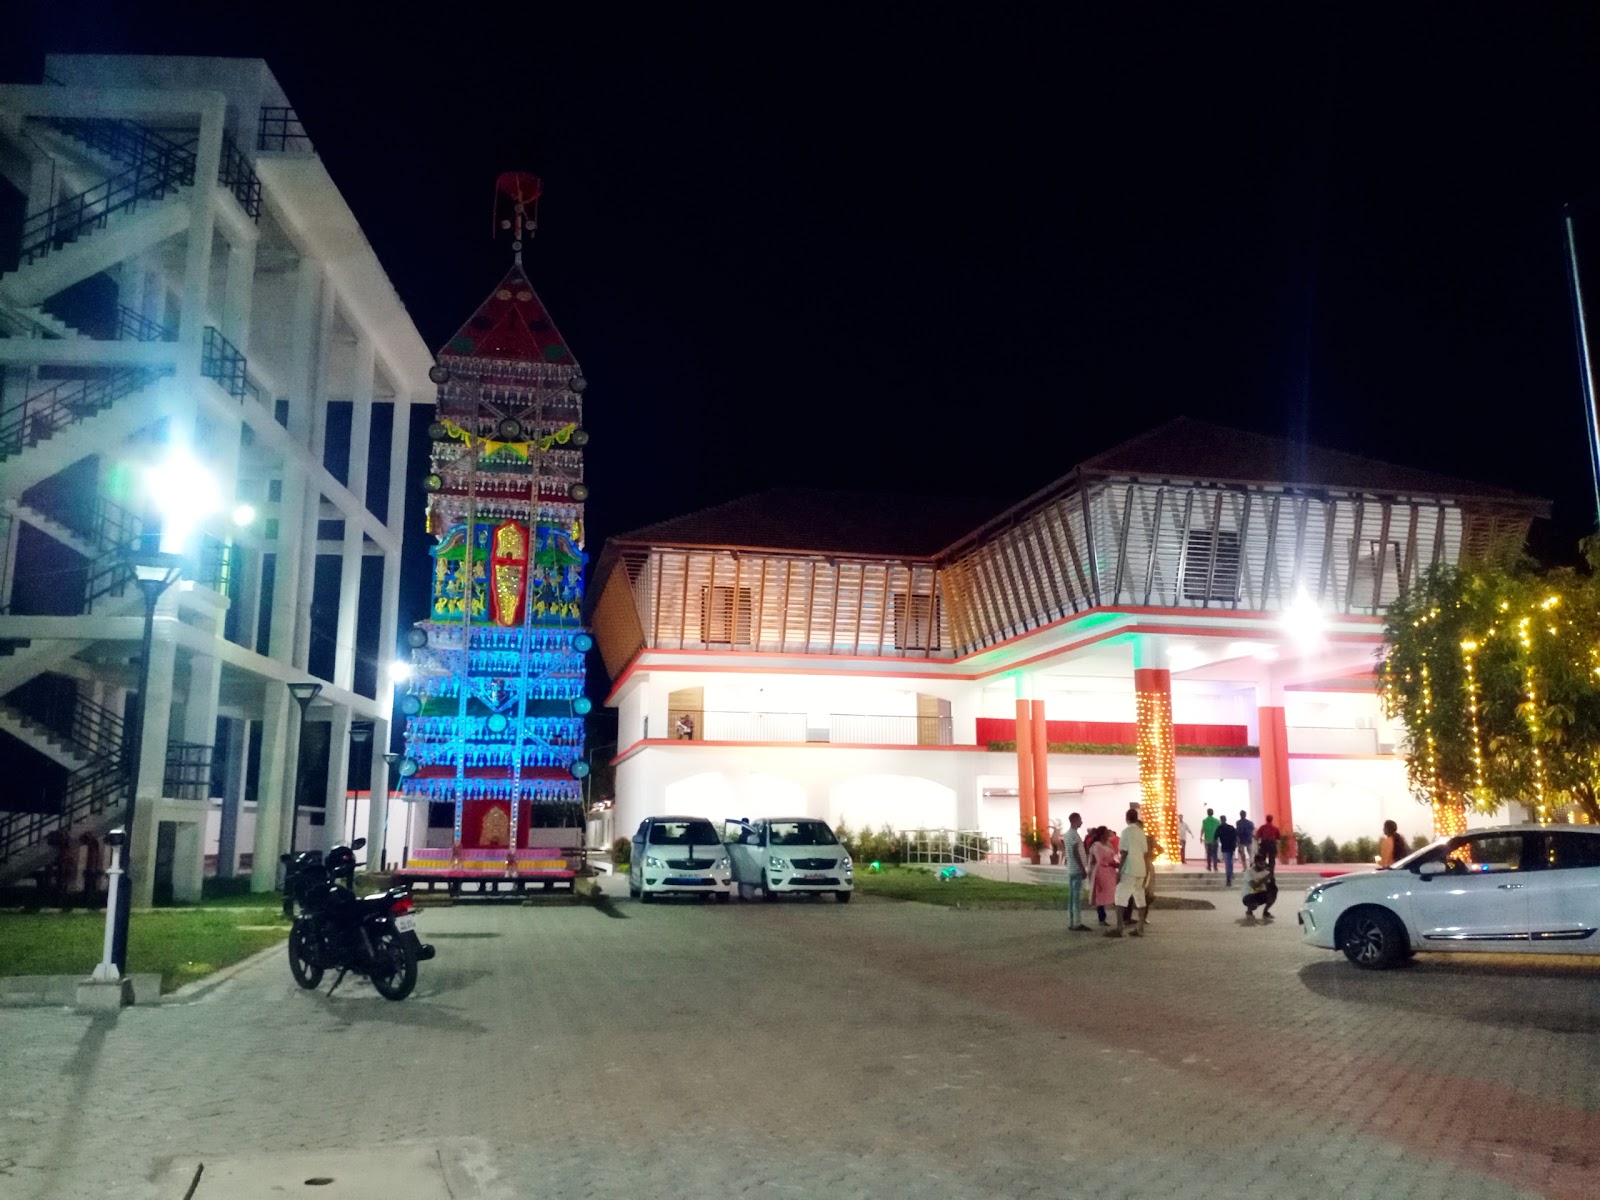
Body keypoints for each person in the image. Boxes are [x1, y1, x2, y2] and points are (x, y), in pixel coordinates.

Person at [1107, 808, 1150, 938]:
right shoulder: (1141, 832)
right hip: (1140, 869)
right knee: (1140, 898)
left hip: (1129, 869)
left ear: (1127, 818)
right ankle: (1140, 927)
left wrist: (1119, 871)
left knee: (1120, 898)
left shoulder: (1126, 832)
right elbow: (1145, 852)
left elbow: (1124, 852)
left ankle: (1119, 927)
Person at [1065, 813, 1091, 931]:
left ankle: (1072, 921)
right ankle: (1076, 923)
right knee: (1076, 897)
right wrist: (1082, 868)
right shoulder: (1073, 835)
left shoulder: (1069, 834)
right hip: (1076, 869)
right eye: (1080, 820)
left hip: (1072, 868)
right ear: (1075, 820)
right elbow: (1075, 852)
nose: (1082, 822)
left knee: (1073, 897)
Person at [1088, 826, 1119, 926]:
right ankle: (1102, 917)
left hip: (1110, 872)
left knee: (1111, 893)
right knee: (1100, 894)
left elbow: (1113, 855)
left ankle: (1119, 915)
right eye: (1106, 833)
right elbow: (1099, 860)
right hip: (1101, 871)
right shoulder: (1097, 845)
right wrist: (1110, 863)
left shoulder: (1108, 844)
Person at [1242, 850, 1277, 920]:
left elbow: (1270, 886)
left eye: (1263, 862)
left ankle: (1265, 912)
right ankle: (1249, 911)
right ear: (1256, 862)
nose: (1262, 864)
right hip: (1249, 894)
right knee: (1254, 905)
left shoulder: (1266, 872)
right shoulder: (1248, 872)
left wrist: (1271, 880)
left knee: (1273, 893)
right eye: (1260, 862)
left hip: (1261, 893)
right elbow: (1254, 886)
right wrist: (1264, 879)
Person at [1215, 814, 1237, 886]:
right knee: (1230, 862)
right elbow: (1235, 836)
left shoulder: (1219, 828)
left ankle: (1228, 879)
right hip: (1231, 847)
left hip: (1225, 847)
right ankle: (1231, 873)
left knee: (1227, 863)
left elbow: (1215, 837)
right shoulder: (1231, 827)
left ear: (1221, 820)